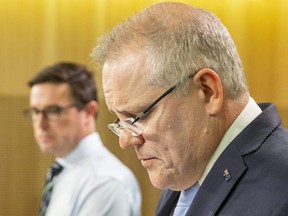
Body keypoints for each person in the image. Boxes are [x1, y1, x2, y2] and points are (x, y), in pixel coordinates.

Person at [91, 2, 288, 216]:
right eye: (120, 121)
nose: (125, 140)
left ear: (208, 91)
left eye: (141, 115)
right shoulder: (187, 171)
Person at [24, 62, 141, 216]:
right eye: (35, 112)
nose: (41, 124)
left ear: (89, 112)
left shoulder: (104, 182)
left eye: (53, 111)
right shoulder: (64, 169)